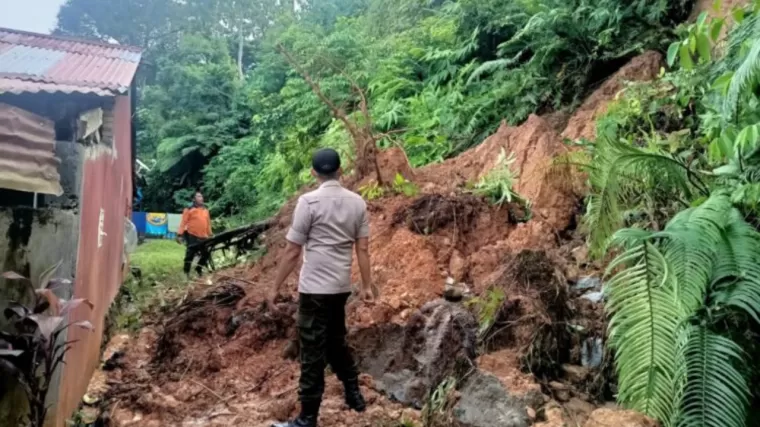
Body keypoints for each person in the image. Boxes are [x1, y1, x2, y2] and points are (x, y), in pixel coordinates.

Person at [269, 148, 376, 427]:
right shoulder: (357, 203)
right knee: (334, 341)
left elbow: (293, 251)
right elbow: (362, 249)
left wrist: (274, 288)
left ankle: (307, 418)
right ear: (340, 170)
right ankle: (353, 393)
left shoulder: (309, 202)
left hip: (314, 288)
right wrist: (366, 286)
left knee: (313, 350)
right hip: (340, 286)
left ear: (314, 173)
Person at [177, 191, 213, 278]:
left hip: (204, 236)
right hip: (192, 235)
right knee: (190, 255)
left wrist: (210, 234)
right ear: (194, 199)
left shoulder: (205, 210)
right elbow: (183, 222)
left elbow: (208, 223)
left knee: (206, 254)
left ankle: (198, 268)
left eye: (201, 196)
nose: (201, 198)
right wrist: (179, 234)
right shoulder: (189, 209)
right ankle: (186, 272)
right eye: (199, 196)